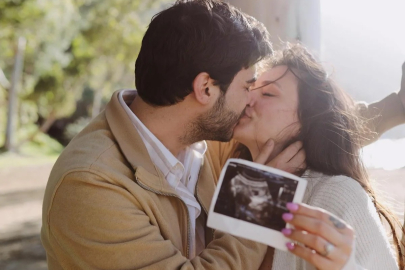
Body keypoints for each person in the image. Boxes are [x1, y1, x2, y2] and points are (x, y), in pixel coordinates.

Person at [211, 43, 405, 269]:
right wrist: (260, 189)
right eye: (250, 89)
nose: (248, 99)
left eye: (268, 93)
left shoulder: (338, 193)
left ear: (306, 121)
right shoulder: (234, 182)